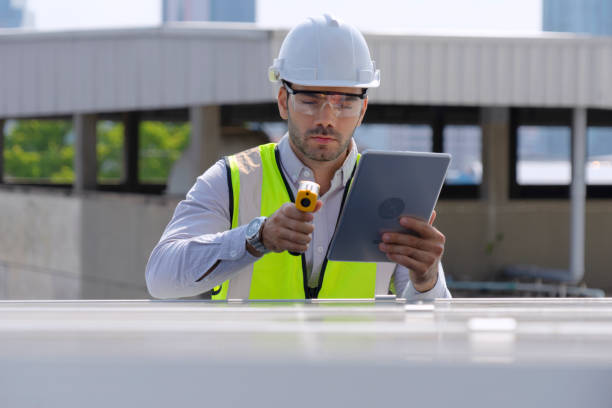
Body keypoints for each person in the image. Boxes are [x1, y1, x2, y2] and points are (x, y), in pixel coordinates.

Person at [146, 14, 451, 300]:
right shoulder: (232, 179)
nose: (326, 119)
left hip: (354, 359)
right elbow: (160, 278)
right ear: (283, 101)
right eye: (310, 100)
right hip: (249, 359)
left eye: (344, 103)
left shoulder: (390, 191)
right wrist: (255, 238)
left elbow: (429, 320)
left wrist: (427, 280)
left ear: (363, 110)